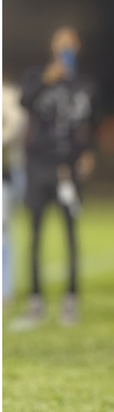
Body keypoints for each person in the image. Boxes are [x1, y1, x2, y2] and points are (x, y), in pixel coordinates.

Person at [18, 26, 98, 326]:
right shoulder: (36, 76)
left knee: (70, 235)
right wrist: (44, 80)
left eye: (71, 42)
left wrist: (89, 152)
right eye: (60, 41)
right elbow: (24, 101)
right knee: (35, 235)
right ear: (52, 45)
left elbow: (94, 122)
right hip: (38, 166)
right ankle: (35, 300)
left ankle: (71, 299)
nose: (65, 47)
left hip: (69, 168)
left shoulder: (85, 84)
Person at [3, 77, 28, 306]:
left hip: (7, 172)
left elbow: (16, 126)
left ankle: (5, 290)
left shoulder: (9, 95)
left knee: (3, 230)